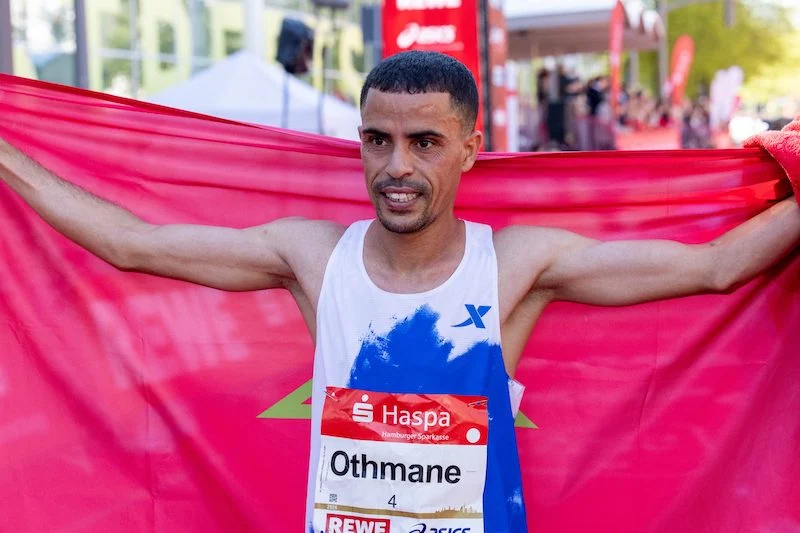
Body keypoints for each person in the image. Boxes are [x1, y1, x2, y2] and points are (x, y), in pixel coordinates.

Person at [1, 51, 799, 532]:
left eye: (424, 143)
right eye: (378, 141)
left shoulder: (517, 262)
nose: (396, 168)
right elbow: (130, 244)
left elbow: (716, 267)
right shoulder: (314, 257)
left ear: (470, 150)